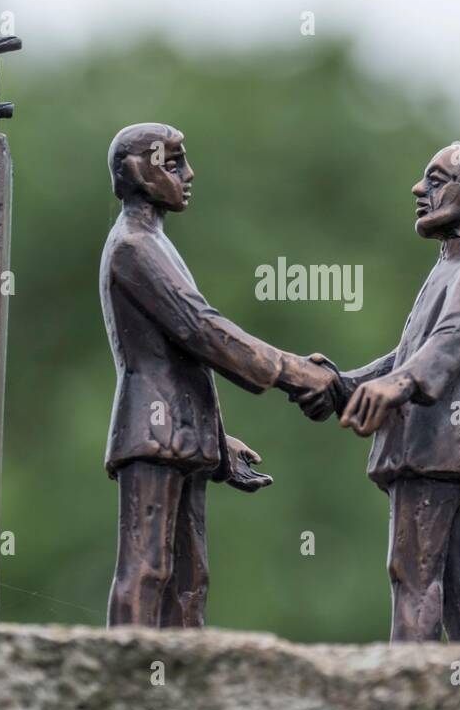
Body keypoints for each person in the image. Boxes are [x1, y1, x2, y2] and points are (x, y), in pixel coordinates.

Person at [100, 122, 339, 628]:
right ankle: (124, 689)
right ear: (142, 172)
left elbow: (183, 353)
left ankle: (183, 691)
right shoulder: (133, 248)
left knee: (190, 579)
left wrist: (215, 440)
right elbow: (201, 331)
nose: (190, 173)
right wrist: (294, 372)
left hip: (181, 435)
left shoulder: (154, 242)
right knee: (148, 570)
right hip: (152, 432)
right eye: (175, 162)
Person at [305, 142, 460, 643]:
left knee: (413, 578)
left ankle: (405, 693)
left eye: (436, 179)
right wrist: (344, 384)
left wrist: (397, 385)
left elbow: (451, 342)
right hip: (425, 445)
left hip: (437, 445)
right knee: (457, 588)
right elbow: (406, 354)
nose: (420, 190)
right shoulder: (447, 264)